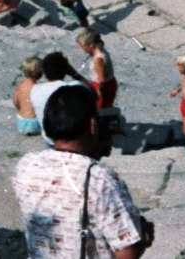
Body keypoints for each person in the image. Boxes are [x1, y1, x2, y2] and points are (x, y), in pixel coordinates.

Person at [13, 84, 151, 259]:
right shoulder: (99, 178)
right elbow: (127, 251)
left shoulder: (26, 165)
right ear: (93, 125)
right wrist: (143, 235)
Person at [29, 52, 86, 147]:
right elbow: (93, 92)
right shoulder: (75, 86)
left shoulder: (35, 90)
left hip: (49, 138)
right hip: (72, 139)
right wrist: (73, 73)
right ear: (65, 71)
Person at [77, 28, 118, 111]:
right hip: (110, 83)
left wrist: (97, 95)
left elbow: (101, 81)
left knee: (98, 110)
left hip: (101, 87)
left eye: (82, 45)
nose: (81, 48)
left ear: (91, 45)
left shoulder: (98, 59)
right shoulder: (101, 50)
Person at [13, 56, 44, 136]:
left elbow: (15, 102)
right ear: (40, 73)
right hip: (35, 123)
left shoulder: (20, 86)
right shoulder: (38, 89)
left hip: (21, 122)